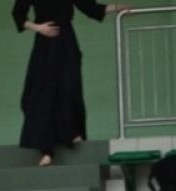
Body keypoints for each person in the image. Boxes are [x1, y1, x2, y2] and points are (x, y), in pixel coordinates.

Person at [13, 1, 132, 167]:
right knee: (39, 94)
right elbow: (18, 14)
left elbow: (90, 8)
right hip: (44, 45)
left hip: (66, 42)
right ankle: (46, 150)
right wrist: (38, 28)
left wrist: (117, 7)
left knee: (69, 88)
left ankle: (71, 133)